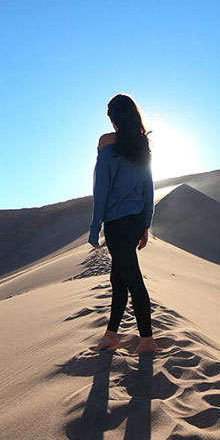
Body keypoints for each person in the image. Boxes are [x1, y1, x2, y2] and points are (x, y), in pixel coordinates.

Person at [88, 93, 158, 353]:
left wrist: (95, 228)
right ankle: (111, 335)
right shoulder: (142, 145)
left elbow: (101, 189)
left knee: (133, 281)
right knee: (118, 279)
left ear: (113, 118)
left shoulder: (107, 143)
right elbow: (148, 188)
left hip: (116, 224)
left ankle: (147, 340)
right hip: (135, 221)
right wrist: (146, 225)